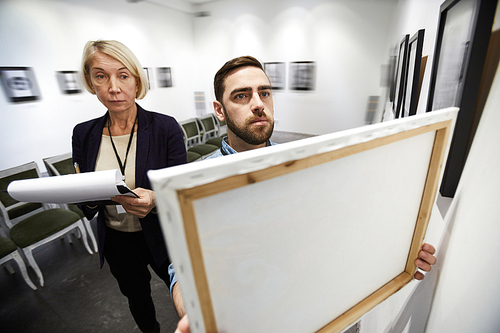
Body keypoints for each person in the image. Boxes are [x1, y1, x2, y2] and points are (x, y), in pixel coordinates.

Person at [170, 56, 437, 332]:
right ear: (220, 110)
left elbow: (338, 235)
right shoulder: (195, 183)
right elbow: (179, 269)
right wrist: (194, 314)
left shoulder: (305, 168)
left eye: (264, 93)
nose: (258, 104)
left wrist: (401, 252)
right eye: (241, 95)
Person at [72, 40, 186, 333]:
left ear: (136, 81)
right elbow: (84, 202)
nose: (113, 87)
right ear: (90, 81)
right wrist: (91, 196)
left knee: (188, 294)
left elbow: (182, 191)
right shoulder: (83, 134)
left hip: (162, 233)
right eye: (101, 76)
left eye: (123, 75)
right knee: (137, 300)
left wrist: (156, 199)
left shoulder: (165, 128)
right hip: (118, 241)